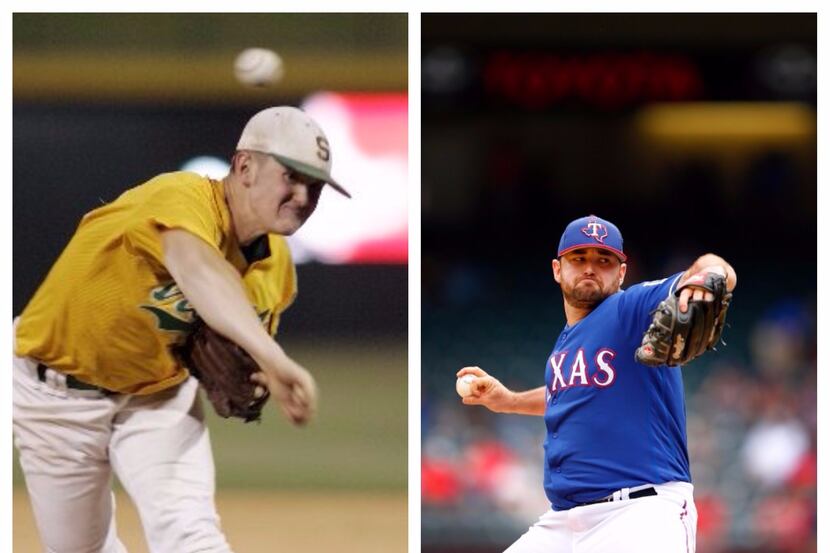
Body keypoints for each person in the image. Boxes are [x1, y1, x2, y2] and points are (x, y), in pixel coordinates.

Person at [13, 106, 349, 553]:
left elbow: (232, 355)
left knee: (190, 536)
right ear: (245, 166)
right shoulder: (182, 196)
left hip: (156, 395)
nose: (303, 197)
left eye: (315, 186)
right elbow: (197, 267)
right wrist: (274, 359)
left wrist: (249, 369)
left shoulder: (277, 269)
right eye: (292, 177)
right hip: (53, 393)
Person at [457, 214, 737, 553]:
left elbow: (715, 267)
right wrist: (510, 401)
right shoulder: (566, 342)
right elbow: (571, 394)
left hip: (639, 513)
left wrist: (707, 278)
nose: (590, 268)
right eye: (579, 258)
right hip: (565, 522)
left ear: (620, 273)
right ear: (557, 269)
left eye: (603, 260)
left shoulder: (629, 309)